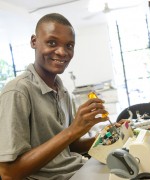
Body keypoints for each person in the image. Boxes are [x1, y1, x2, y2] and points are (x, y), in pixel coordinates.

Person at [0, 13, 109, 180]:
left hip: (78, 169)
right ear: (34, 41)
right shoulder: (18, 91)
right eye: (52, 43)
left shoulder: (62, 92)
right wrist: (72, 131)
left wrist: (105, 136)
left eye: (69, 46)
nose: (62, 52)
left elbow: (70, 148)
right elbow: (9, 173)